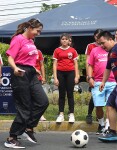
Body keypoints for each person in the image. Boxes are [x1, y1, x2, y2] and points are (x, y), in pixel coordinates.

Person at [4, 18, 49, 149]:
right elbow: (10, 57)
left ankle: (28, 127)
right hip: (20, 73)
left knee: (43, 101)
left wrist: (35, 69)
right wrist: (15, 68)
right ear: (29, 28)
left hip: (31, 73)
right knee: (25, 107)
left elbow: (28, 59)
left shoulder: (31, 41)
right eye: (37, 31)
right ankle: (12, 137)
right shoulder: (18, 39)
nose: (38, 34)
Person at [88, 44, 116, 135]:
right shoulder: (94, 50)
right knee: (98, 105)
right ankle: (101, 124)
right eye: (100, 42)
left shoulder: (114, 50)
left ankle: (108, 126)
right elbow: (90, 65)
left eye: (104, 42)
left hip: (112, 82)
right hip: (98, 82)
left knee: (110, 105)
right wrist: (90, 78)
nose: (102, 44)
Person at [53, 33, 79, 123]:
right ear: (60, 40)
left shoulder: (73, 50)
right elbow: (55, 64)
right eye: (63, 39)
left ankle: (71, 114)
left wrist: (77, 76)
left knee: (70, 94)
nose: (64, 40)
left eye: (66, 39)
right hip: (60, 73)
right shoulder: (57, 50)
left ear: (69, 41)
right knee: (61, 94)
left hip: (70, 73)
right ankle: (61, 114)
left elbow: (76, 64)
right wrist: (55, 78)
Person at [85, 29, 103, 124]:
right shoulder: (90, 46)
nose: (98, 37)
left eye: (100, 35)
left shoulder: (106, 45)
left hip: (104, 76)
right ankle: (89, 114)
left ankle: (99, 116)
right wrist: (89, 76)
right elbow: (88, 62)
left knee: (103, 97)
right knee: (94, 96)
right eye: (96, 36)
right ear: (94, 36)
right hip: (94, 76)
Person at [35, 49, 47, 121]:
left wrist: (43, 77)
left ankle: (40, 115)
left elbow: (42, 65)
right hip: (27, 77)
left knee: (39, 97)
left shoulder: (39, 52)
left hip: (37, 77)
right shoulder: (25, 50)